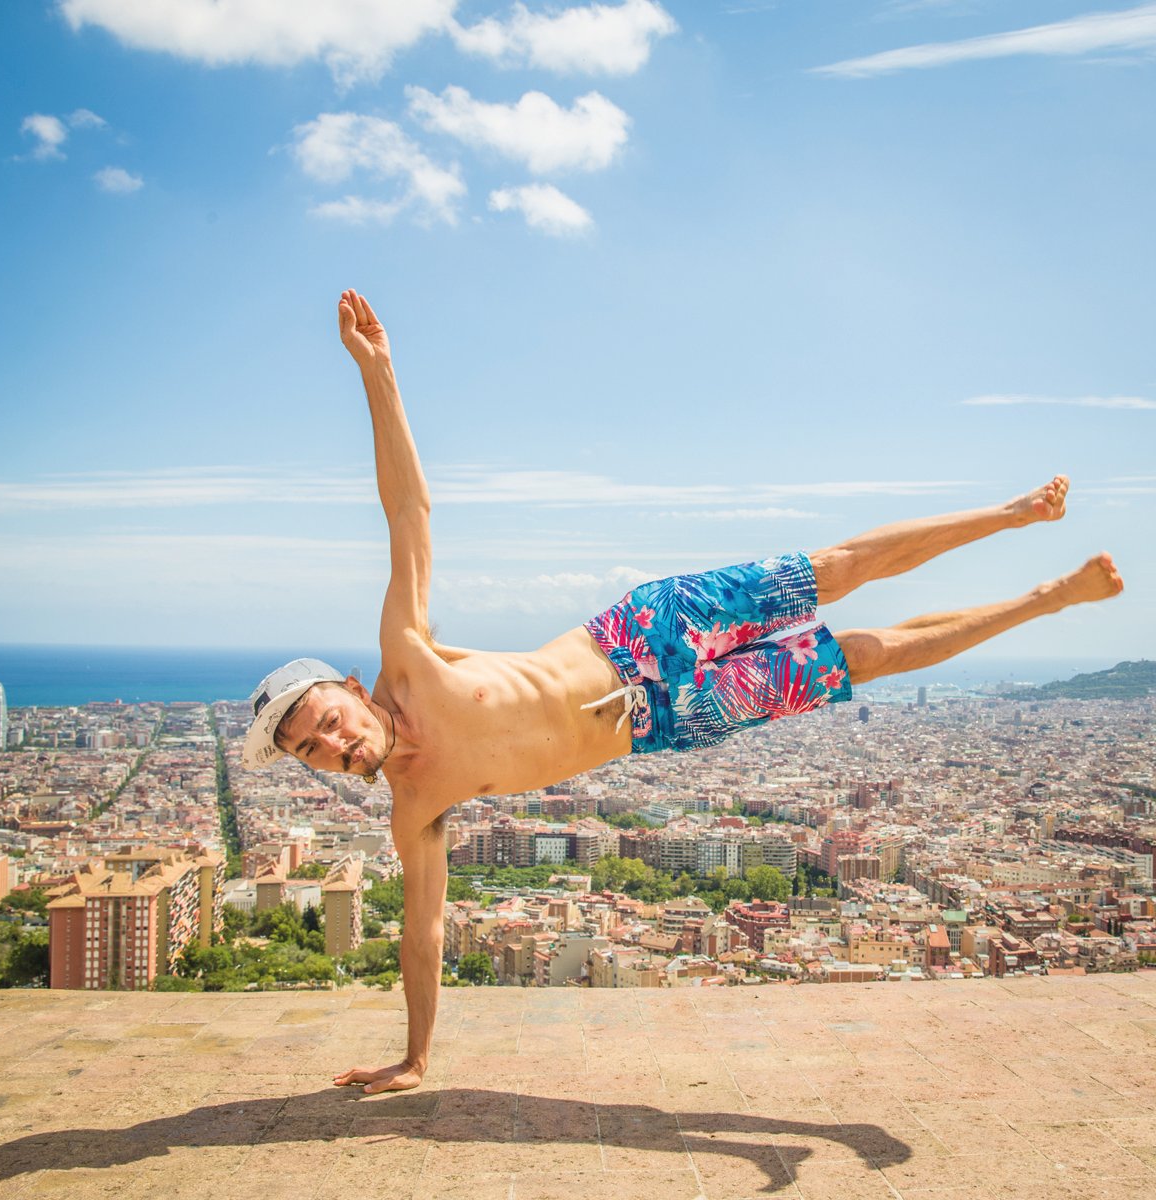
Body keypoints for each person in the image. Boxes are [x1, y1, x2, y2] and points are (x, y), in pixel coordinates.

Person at [243, 289, 1124, 1095]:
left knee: (837, 570)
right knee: (864, 656)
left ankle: (1013, 514)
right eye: (311, 753)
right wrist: (416, 1057)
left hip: (644, 631)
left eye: (325, 723)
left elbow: (409, 513)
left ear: (353, 691)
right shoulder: (414, 806)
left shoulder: (408, 657)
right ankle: (1047, 597)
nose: (333, 748)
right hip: (667, 718)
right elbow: (423, 935)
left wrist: (380, 374)